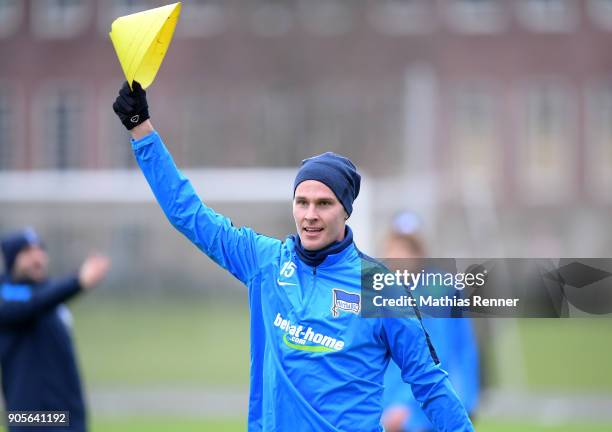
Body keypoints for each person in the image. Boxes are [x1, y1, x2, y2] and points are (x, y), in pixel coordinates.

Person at [112, 81, 474, 431]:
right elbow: (186, 213)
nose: (310, 214)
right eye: (302, 202)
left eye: (324, 204)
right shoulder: (265, 263)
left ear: (345, 210)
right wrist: (141, 130)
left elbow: (429, 382)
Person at [0, 228, 110, 432]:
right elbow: (31, 305)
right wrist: (78, 282)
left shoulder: (51, 296)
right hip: (29, 417)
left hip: (68, 415)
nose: (37, 257)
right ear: (11, 258)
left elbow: (47, 297)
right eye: (27, 252)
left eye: (40, 250)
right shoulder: (7, 294)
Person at [381, 212, 480, 432]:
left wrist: (468, 399)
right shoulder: (379, 293)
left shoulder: (442, 290)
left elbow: (451, 350)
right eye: (395, 248)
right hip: (387, 410)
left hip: (425, 410)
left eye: (408, 249)